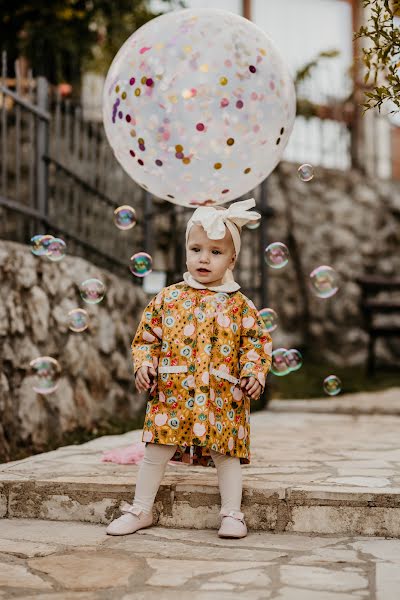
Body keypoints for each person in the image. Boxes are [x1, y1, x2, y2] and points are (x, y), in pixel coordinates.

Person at [106, 198, 272, 538]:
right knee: (155, 451)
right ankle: (141, 510)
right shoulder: (168, 298)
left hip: (223, 396)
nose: (204, 258)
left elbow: (256, 344)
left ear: (232, 259)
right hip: (173, 393)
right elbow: (145, 340)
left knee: (226, 454)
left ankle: (232, 514)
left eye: (215, 252)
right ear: (185, 252)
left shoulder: (240, 305)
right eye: (196, 249)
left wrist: (255, 373)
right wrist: (144, 365)